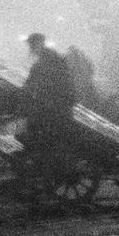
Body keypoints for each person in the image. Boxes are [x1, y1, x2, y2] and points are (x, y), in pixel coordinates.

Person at [20, 33, 77, 178]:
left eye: (32, 44)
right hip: (55, 103)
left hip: (57, 106)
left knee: (40, 129)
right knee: (35, 127)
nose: (30, 48)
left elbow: (44, 80)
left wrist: (29, 89)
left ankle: (45, 164)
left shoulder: (49, 59)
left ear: (39, 44)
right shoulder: (47, 58)